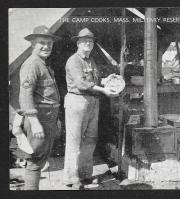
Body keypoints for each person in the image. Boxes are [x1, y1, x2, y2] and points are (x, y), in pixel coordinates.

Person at [63, 28, 118, 189]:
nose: (88, 43)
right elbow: (81, 84)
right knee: (74, 141)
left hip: (92, 102)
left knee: (90, 140)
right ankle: (72, 179)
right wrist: (103, 90)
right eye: (84, 41)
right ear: (78, 43)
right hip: (77, 102)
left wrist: (106, 80)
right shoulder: (74, 61)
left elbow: (95, 80)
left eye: (91, 41)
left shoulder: (90, 60)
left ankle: (85, 175)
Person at [12, 25, 61, 190]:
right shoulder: (32, 64)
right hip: (39, 118)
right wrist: (34, 123)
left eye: (49, 43)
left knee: (40, 160)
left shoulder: (43, 64)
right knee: (34, 160)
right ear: (33, 44)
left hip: (48, 117)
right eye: (42, 42)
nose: (47, 46)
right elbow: (25, 95)